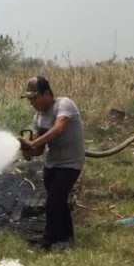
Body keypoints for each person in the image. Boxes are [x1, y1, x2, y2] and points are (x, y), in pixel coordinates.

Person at [17, 76, 84, 251]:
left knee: (54, 202)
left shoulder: (64, 105)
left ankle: (50, 239)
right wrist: (26, 148)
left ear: (46, 93)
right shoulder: (38, 118)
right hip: (52, 163)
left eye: (35, 97)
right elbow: (38, 151)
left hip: (70, 162)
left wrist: (34, 143)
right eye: (30, 99)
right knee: (59, 202)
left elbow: (60, 127)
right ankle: (66, 237)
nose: (32, 102)